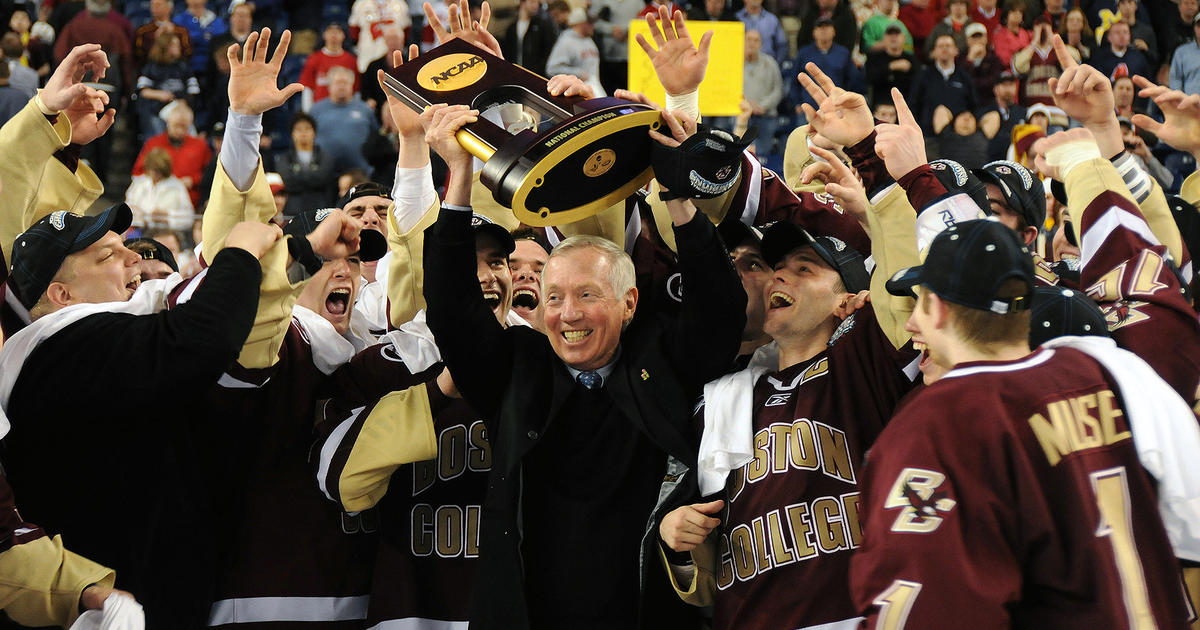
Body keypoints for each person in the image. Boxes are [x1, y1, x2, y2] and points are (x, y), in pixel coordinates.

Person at [421, 101, 746, 629]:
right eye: (554, 298)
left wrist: (679, 199)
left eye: (587, 294)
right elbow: (453, 311)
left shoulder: (662, 356)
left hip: (647, 615)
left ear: (630, 303)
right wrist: (457, 179)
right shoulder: (517, 369)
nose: (567, 314)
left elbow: (720, 311)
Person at [850, 218, 1199, 628]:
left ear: (940, 308)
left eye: (920, 302)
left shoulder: (940, 422)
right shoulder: (1101, 372)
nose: (910, 323)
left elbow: (927, 607)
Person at [132, 102, 212, 207]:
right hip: (156, 200)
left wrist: (193, 180)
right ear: (168, 123)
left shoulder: (201, 146)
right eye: (176, 126)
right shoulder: (153, 144)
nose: (179, 131)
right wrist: (158, 179)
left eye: (184, 127)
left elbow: (210, 175)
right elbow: (137, 173)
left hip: (190, 202)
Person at [309, 65, 376, 173]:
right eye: (337, 83)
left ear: (352, 85)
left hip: (360, 173)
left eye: (345, 82)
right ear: (329, 86)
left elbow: (375, 136)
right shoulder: (316, 110)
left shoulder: (365, 110)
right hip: (324, 173)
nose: (341, 86)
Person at [907, 34, 977, 136]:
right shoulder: (923, 77)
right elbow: (913, 105)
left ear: (955, 51)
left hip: (958, 137)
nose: (944, 49)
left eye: (948, 46)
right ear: (934, 52)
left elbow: (973, 106)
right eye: (940, 46)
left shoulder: (965, 78)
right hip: (928, 136)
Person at [135, 31, 200, 139]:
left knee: (186, 122)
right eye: (175, 45)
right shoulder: (151, 67)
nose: (179, 48)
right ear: (165, 47)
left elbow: (193, 90)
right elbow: (143, 91)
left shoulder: (183, 66)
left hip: (181, 106)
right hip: (158, 108)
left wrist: (182, 101)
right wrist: (160, 95)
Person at [276, 111, 337, 216]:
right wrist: (313, 178)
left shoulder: (326, 156)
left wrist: (297, 176)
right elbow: (288, 182)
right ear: (292, 134)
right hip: (292, 210)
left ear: (314, 133)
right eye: (298, 129)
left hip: (321, 210)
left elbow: (322, 178)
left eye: (307, 129)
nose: (303, 133)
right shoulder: (284, 158)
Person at [125, 146, 195, 231]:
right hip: (138, 230)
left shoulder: (177, 186)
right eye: (152, 170)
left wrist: (167, 217)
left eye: (158, 171)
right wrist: (139, 216)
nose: (154, 174)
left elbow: (188, 218)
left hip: (166, 232)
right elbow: (128, 208)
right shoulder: (139, 183)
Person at [299, 22, 359, 110]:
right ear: (324, 35)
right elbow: (308, 89)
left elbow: (356, 90)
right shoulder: (313, 59)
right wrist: (308, 113)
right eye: (330, 32)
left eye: (337, 32)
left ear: (343, 35)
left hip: (346, 109)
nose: (333, 35)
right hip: (319, 110)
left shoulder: (351, 60)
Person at [545, 7, 604, 97]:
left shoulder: (589, 40)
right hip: (576, 95)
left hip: (593, 90)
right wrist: (579, 73)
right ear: (580, 23)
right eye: (590, 23)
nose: (593, 25)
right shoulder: (566, 42)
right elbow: (552, 68)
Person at [742, 29, 783, 153]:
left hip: (766, 116)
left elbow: (778, 89)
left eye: (756, 40)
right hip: (742, 115)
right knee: (741, 155)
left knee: (763, 156)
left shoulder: (770, 63)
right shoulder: (734, 63)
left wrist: (762, 106)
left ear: (760, 44)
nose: (752, 43)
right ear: (743, 41)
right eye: (749, 39)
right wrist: (747, 104)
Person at [501, 0, 558, 77]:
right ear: (522, 2)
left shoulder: (542, 26)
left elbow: (548, 53)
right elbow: (508, 53)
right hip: (515, 76)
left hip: (536, 76)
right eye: (532, 1)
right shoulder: (512, 28)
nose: (536, 5)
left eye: (538, 3)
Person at [865, 23, 918, 104]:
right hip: (880, 107)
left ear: (904, 38)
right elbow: (869, 78)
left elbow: (917, 84)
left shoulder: (911, 59)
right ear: (884, 38)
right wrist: (891, 66)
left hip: (905, 105)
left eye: (897, 34)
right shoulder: (874, 58)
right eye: (890, 34)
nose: (893, 37)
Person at [172, 0, 227, 75]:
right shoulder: (179, 20)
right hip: (185, 67)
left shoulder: (216, 21)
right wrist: (204, 36)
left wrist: (194, 37)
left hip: (214, 68)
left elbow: (221, 42)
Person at [133, 0, 192, 64]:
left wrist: (172, 37)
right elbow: (139, 55)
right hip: (151, 69)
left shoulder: (181, 31)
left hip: (177, 69)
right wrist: (156, 40)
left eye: (158, 5)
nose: (154, 7)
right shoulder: (143, 31)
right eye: (152, 4)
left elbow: (188, 53)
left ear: (169, 8)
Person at [962, 22, 1005, 104]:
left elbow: (994, 82)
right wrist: (969, 60)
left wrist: (972, 84)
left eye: (980, 37)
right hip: (966, 101)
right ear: (967, 40)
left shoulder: (994, 59)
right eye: (974, 38)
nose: (978, 41)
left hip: (989, 101)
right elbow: (961, 80)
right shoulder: (960, 59)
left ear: (986, 39)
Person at [736, 0, 786, 66]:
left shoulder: (772, 20)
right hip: (741, 67)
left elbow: (782, 46)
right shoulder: (735, 19)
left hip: (767, 67)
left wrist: (775, 65)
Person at [990, 0, 1031, 65]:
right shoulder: (999, 35)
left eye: (1020, 12)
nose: (1017, 14)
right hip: (1007, 69)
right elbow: (1002, 58)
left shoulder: (1025, 33)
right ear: (1006, 14)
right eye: (1013, 11)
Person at [1170, 14, 1200, 96]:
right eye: (1199, 26)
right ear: (1194, 28)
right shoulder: (1181, 52)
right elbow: (1175, 79)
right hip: (1189, 104)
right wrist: (1179, 99)